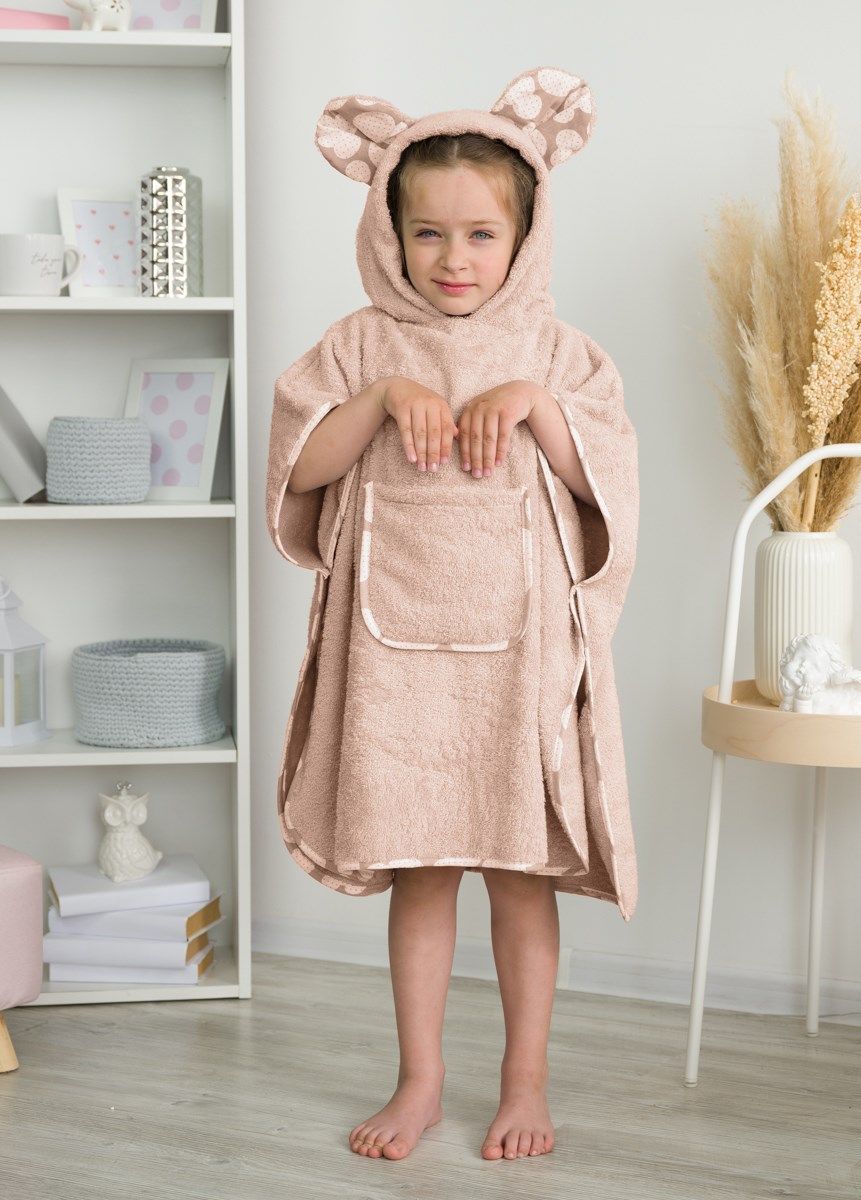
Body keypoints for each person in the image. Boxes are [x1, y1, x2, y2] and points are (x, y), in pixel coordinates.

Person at [265, 66, 640, 1164]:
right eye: (427, 233)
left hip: (520, 656)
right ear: (389, 234)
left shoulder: (560, 353)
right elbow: (300, 468)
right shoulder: (359, 344)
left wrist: (536, 407)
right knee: (423, 868)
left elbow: (607, 486)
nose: (453, 259)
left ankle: (526, 1080)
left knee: (520, 873)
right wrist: (383, 399)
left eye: (482, 234)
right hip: (398, 668)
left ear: (526, 237)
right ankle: (420, 1078)